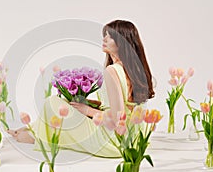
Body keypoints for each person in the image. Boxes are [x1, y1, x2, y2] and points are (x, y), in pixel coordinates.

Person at [8, 20, 155, 157]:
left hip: (112, 141)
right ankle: (30, 130)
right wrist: (90, 104)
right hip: (134, 141)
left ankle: (31, 134)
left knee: (52, 102)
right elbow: (124, 105)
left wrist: (87, 111)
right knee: (65, 102)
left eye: (110, 37)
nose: (104, 39)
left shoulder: (112, 71)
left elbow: (117, 120)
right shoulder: (134, 70)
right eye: (105, 36)